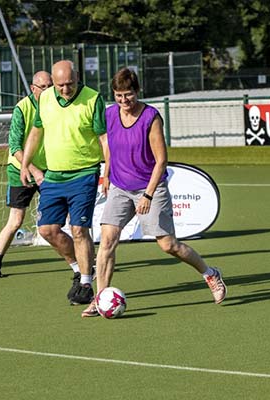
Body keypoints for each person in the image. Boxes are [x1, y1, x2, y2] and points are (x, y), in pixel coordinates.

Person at [81, 68, 227, 317]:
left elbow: (161, 161)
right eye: (118, 95)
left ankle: (210, 273)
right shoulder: (110, 115)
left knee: (169, 245)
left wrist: (148, 195)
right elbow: (109, 147)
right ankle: (100, 297)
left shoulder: (151, 117)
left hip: (150, 185)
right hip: (119, 186)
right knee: (106, 241)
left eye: (128, 95)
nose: (124, 101)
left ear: (137, 92)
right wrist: (106, 175)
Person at [20, 60, 106, 305]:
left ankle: (87, 283)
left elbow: (104, 138)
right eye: (60, 85)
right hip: (54, 176)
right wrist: (26, 164)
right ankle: (79, 269)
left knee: (79, 230)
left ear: (77, 77)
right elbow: (36, 132)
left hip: (83, 173)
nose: (65, 89)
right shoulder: (45, 99)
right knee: (47, 230)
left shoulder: (92, 99)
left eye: (70, 83)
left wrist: (108, 170)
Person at [0, 71, 83, 280]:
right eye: (44, 87)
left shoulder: (58, 104)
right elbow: (14, 146)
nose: (49, 90)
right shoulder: (22, 108)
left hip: (51, 169)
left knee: (67, 218)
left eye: (51, 86)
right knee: (16, 220)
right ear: (33, 88)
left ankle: (82, 262)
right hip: (20, 169)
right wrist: (32, 169)